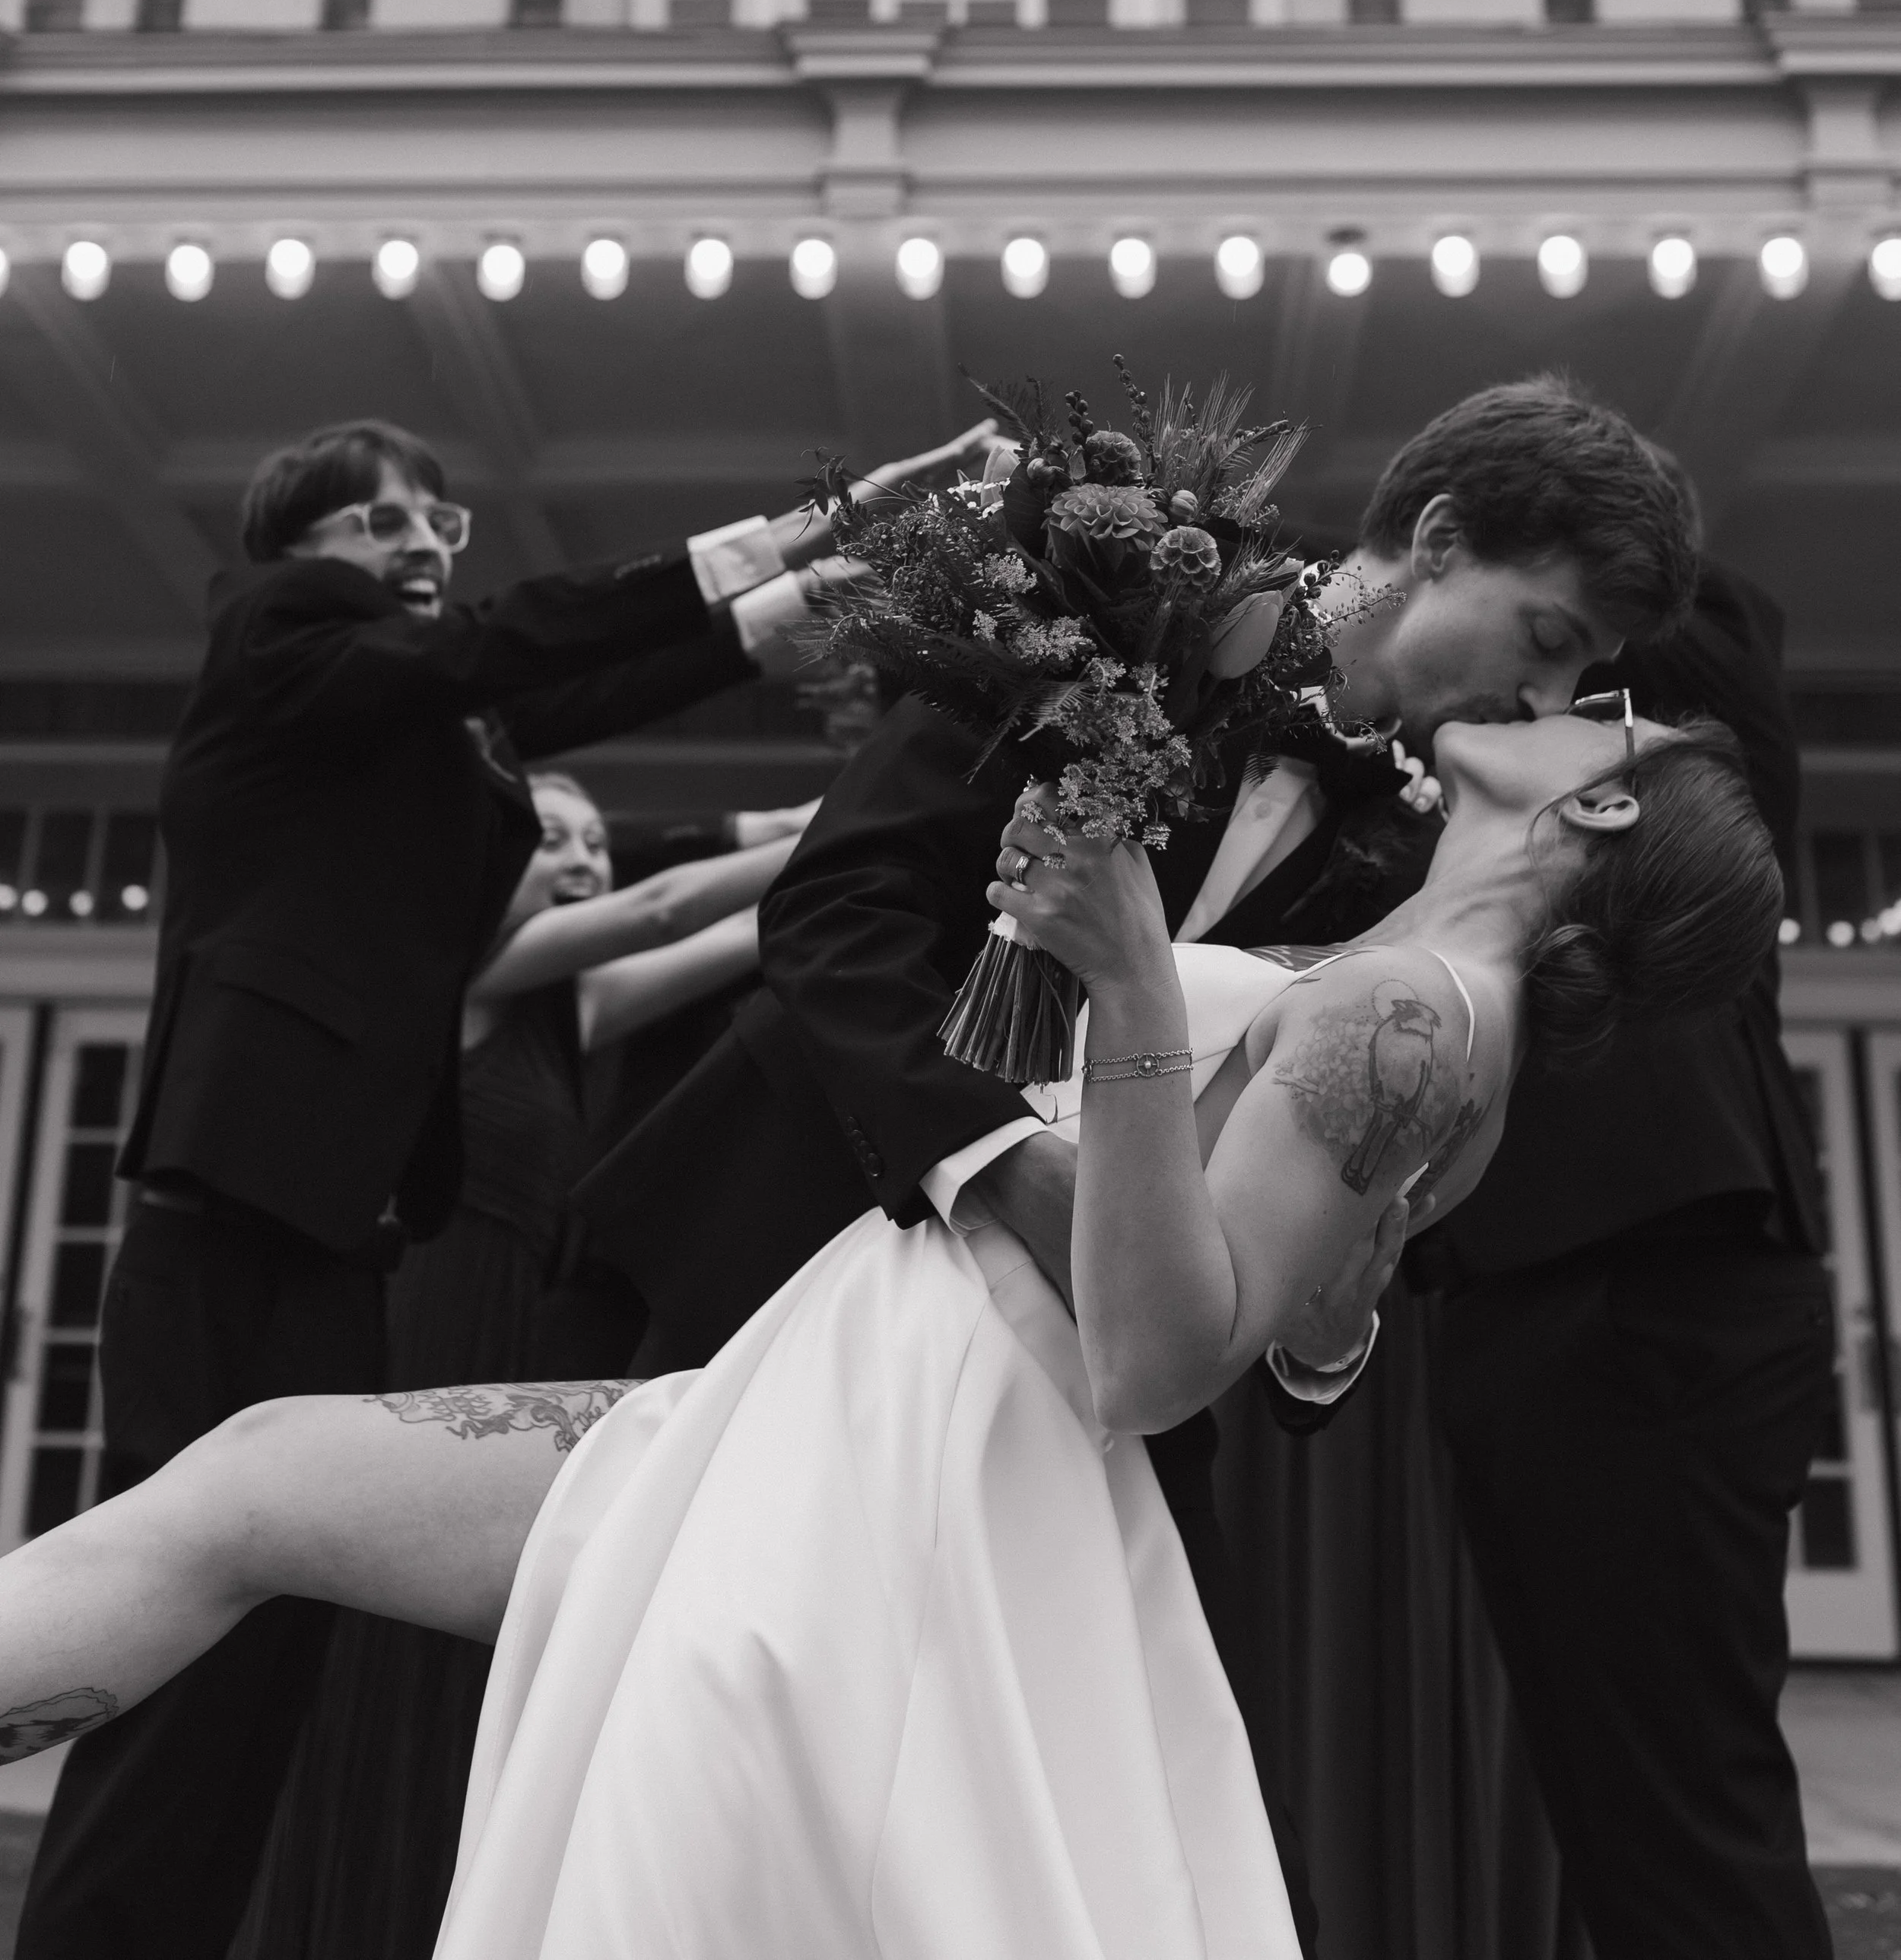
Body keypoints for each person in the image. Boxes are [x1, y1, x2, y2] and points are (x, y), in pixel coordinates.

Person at [0, 699, 1783, 1960]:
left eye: (1598, 715)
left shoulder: (1405, 1005)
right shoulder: (1424, 1006)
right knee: (253, 1484)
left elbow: (1157, 1357)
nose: (1556, 697)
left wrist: (1135, 978)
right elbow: (1295, 1317)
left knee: (264, 1496)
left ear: (1604, 808)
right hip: (851, 1393)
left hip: (922, 1465)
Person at [573, 373, 1697, 1952]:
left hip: (1083, 1384)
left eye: (1578, 675)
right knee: (690, 1757)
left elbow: (1329, 1247)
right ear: (1436, 540)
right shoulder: (1117, 587)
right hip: (774, 1250)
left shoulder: (1421, 858)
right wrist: (1007, 1175)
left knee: (1155, 1842)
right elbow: (835, 915)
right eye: (1543, 640)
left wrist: (1322, 1327)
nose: (1542, 699)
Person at [16, 410, 990, 1960]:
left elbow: (590, 699)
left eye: (433, 518)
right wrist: (797, 526)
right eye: (370, 522)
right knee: (182, 1630)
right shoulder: (274, 628)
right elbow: (508, 650)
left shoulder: (416, 729)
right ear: (298, 559)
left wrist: (850, 574)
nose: (412, 541)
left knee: (264, 1647)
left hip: (340, 1218)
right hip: (235, 1190)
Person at [239, 769, 807, 1960]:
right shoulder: (466, 975)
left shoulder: (577, 1005)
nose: (584, 859)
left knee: (476, 1641)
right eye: (552, 838)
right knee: (390, 1622)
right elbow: (668, 910)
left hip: (517, 1336)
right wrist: (855, 812)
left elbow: (771, 933)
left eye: (599, 841)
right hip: (430, 1313)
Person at [1415, 547, 1833, 1958]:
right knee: (1612, 1811)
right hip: (1538, 1310)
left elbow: (1675, 589)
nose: (1541, 690)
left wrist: (1520, 522)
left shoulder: (1691, 779)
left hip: (1663, 1300)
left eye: (1573, 665)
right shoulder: (1479, 827)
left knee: (1682, 1818)